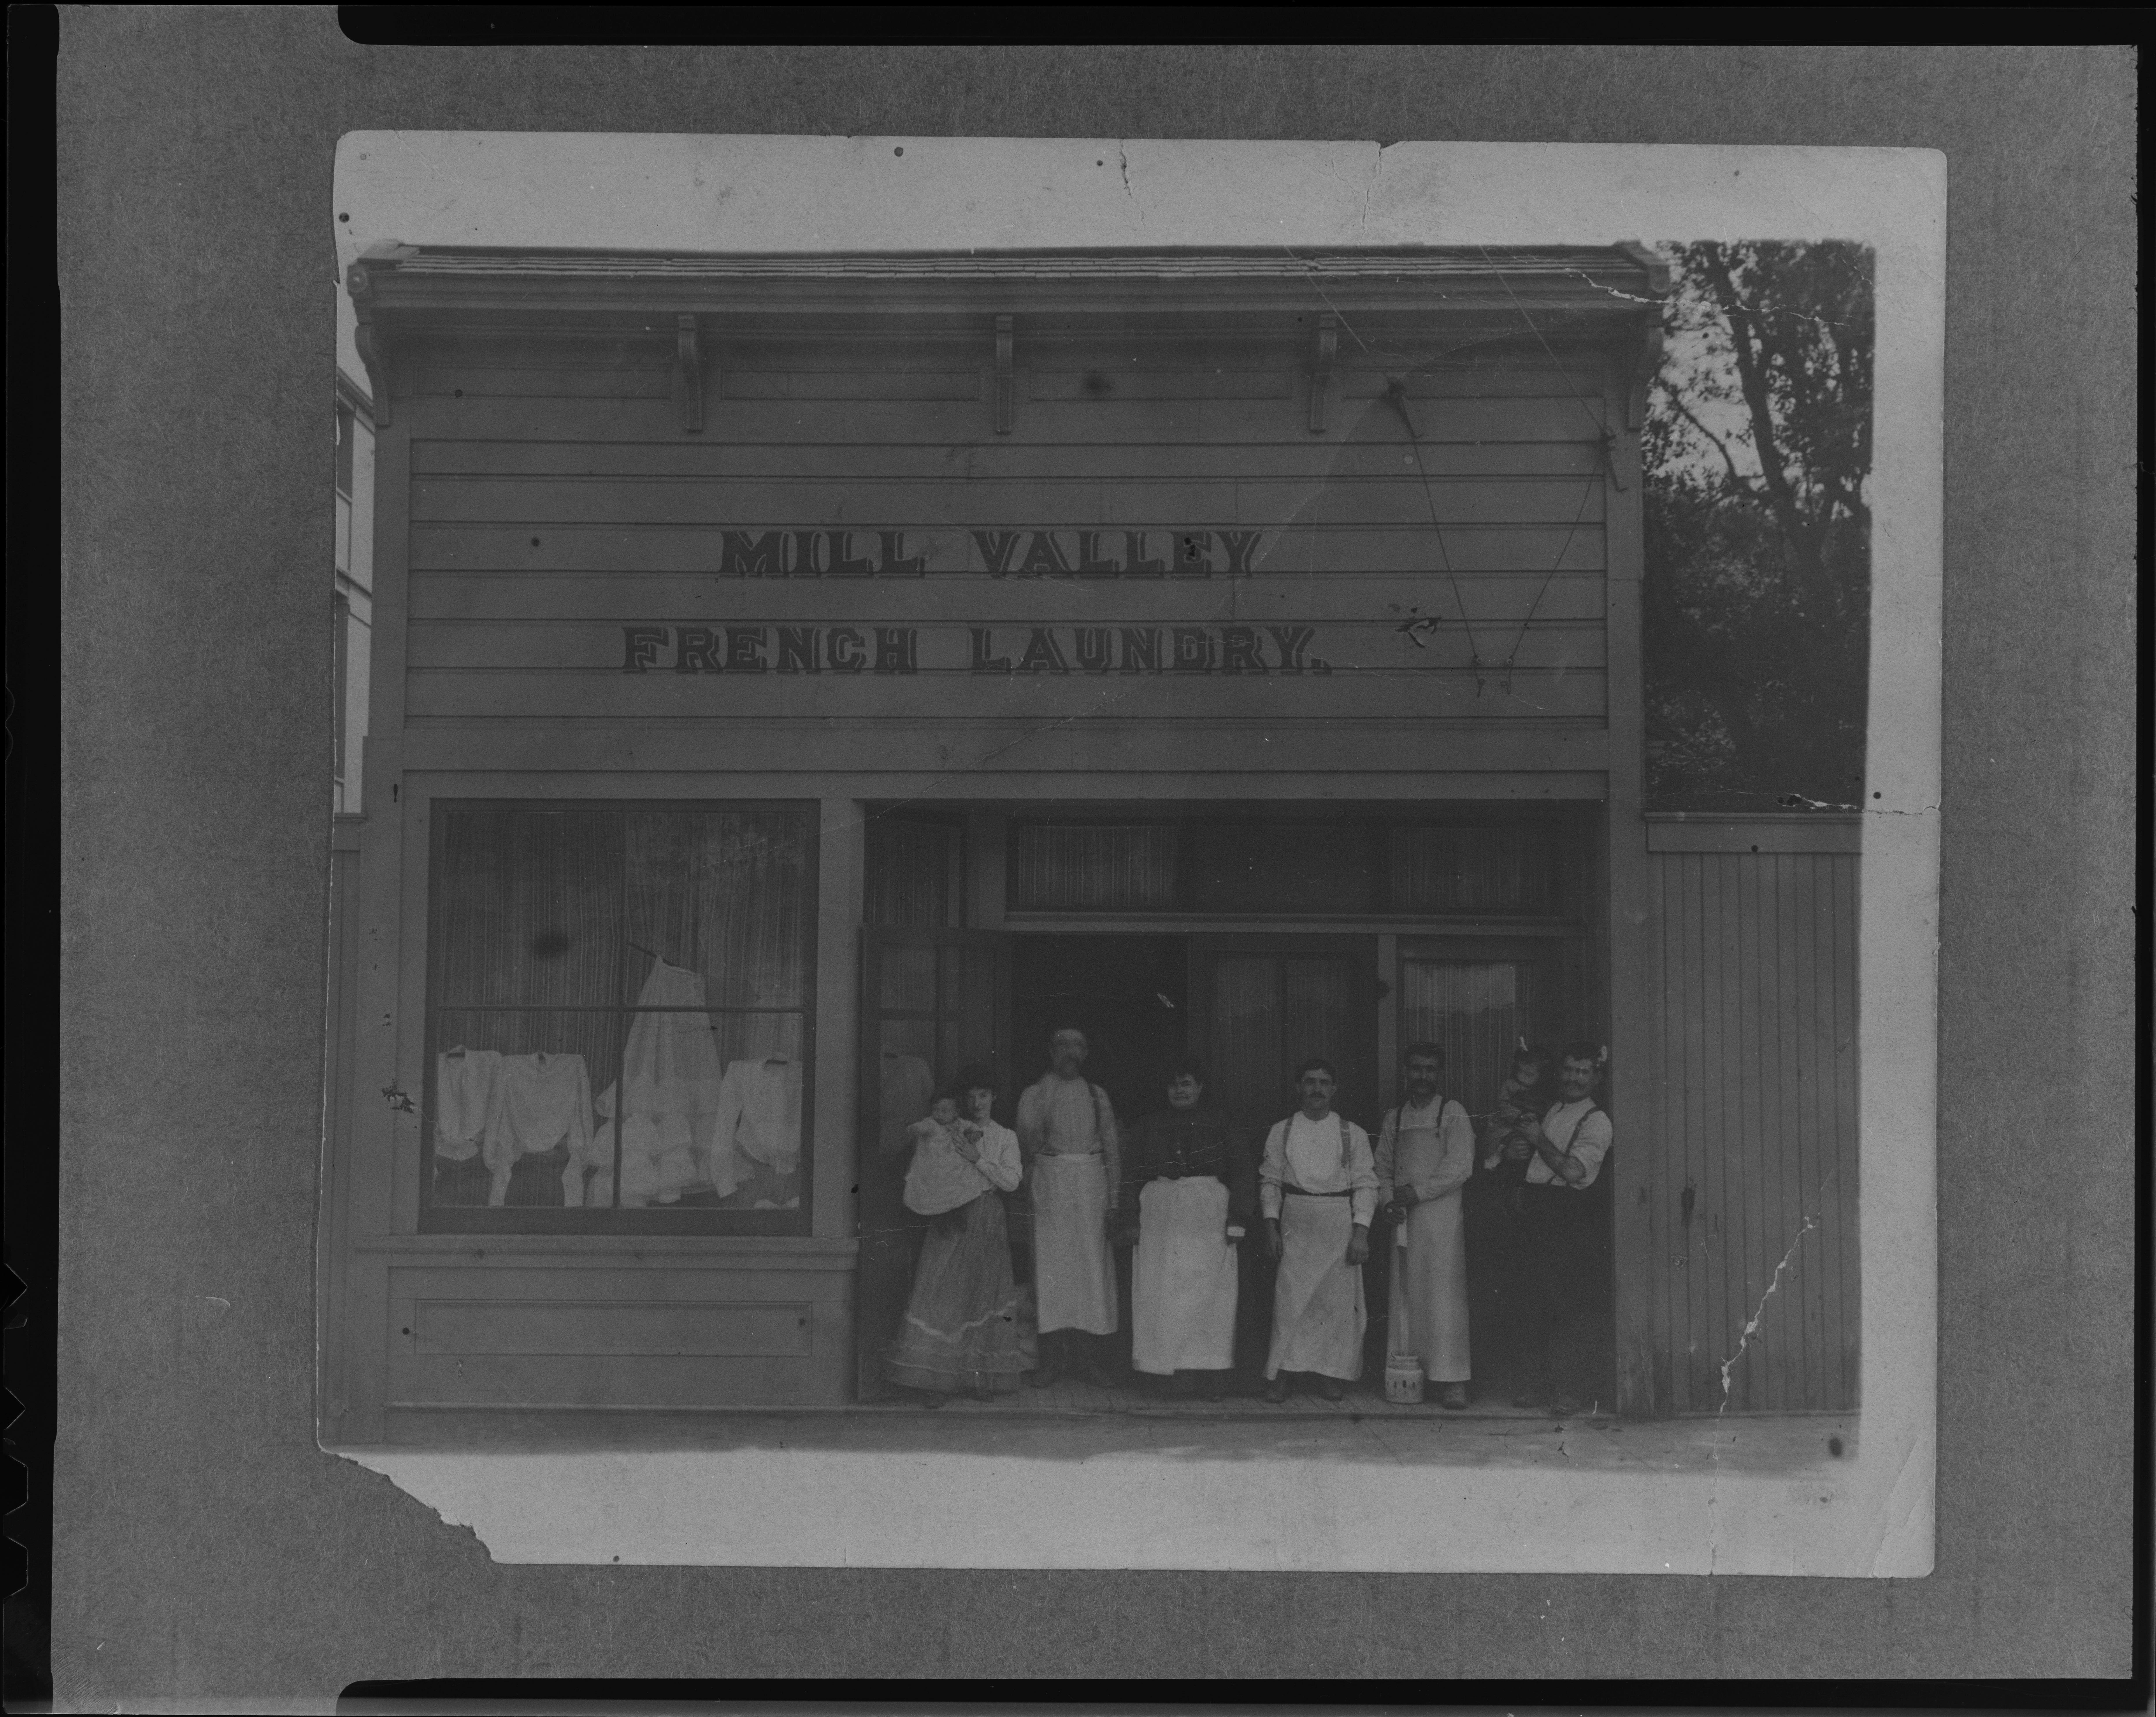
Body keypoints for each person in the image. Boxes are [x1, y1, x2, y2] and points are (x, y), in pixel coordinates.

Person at [881, 1068, 1028, 1407]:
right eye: (971, 1096)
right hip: (951, 1214)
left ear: (994, 1097)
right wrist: (940, 1210)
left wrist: (978, 1159)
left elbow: (1011, 1182)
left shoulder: (1005, 1137)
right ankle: (936, 1378)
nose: (977, 1103)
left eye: (984, 1095)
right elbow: (928, 1172)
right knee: (944, 1292)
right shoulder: (946, 1130)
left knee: (984, 1293)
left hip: (988, 1216)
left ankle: (981, 1375)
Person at [1118, 1057, 1254, 1399]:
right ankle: (1168, 1371)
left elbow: (1241, 1168)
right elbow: (1132, 1171)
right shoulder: (1150, 1124)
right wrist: (1131, 1217)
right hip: (1161, 1212)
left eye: (1187, 1084)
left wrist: (1238, 1216)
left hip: (1207, 1210)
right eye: (1174, 1085)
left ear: (1200, 1087)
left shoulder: (1221, 1121)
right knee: (1163, 1291)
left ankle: (1208, 1372)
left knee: (1210, 1293)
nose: (1180, 1091)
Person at [1258, 1058, 1379, 1402]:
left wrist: (1361, 1232)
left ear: (1334, 1089)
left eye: (1325, 1082)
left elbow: (1367, 1185)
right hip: (1296, 1220)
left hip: (1337, 1222)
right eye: (1310, 1082)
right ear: (1299, 1087)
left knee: (1336, 1304)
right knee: (1290, 1300)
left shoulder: (1351, 1133)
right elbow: (1270, 1182)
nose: (1317, 1089)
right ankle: (1283, 1372)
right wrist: (1271, 1226)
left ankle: (1330, 1373)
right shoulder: (1282, 1130)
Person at [1510, 1041, 1615, 1415]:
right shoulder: (1555, 1108)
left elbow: (1574, 1172)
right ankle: (1538, 1386)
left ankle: (1571, 1392)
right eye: (1569, 1070)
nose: (1574, 1078)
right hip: (1540, 1212)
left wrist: (1538, 1139)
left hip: (1570, 1218)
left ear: (1597, 1077)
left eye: (1583, 1071)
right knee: (1535, 1301)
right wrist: (1523, 1152)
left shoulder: (1597, 1121)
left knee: (1569, 1306)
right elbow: (1541, 1158)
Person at [1015, 1027, 1121, 1388]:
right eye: (1061, 1044)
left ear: (1087, 1052)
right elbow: (1025, 1147)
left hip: (1091, 1185)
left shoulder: (1097, 1095)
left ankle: (1088, 1358)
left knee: (1091, 1271)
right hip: (1051, 1183)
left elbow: (1111, 1147)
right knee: (1052, 1270)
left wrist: (1116, 1200)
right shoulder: (1034, 1093)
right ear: (1050, 1050)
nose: (1069, 1052)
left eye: (1077, 1044)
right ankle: (1054, 1358)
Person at [1375, 1042, 1478, 1409]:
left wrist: (1417, 1193)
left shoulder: (1451, 1113)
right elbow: (1383, 1168)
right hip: (1405, 1221)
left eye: (1430, 1069)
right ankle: (1407, 1373)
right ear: (1407, 1071)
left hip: (1442, 1222)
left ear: (1439, 1073)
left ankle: (1452, 1381)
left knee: (1444, 1297)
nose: (1423, 1076)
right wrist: (1389, 1203)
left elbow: (1460, 1167)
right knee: (1407, 1297)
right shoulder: (1396, 1118)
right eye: (1416, 1068)